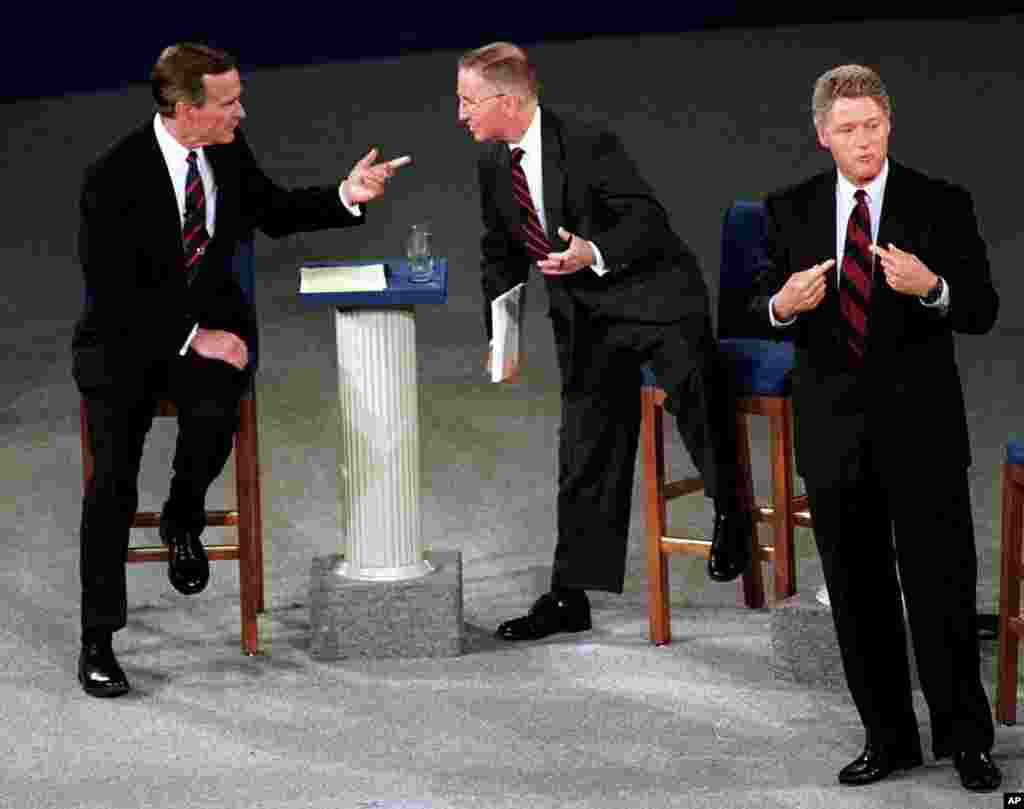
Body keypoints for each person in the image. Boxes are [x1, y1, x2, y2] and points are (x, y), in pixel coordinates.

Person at [73, 42, 409, 698]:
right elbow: (114, 290)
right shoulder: (111, 177)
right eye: (227, 103)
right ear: (183, 109)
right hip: (125, 346)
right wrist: (195, 336)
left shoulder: (225, 150)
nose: (241, 112)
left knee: (215, 408)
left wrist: (347, 194)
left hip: (210, 340)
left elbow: (274, 210)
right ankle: (98, 638)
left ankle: (182, 514)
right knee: (111, 479)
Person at [750, 64, 1000, 792]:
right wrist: (784, 304)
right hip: (833, 432)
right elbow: (745, 310)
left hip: (921, 429)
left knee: (942, 590)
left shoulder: (940, 203)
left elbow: (981, 307)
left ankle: (966, 741)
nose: (864, 141)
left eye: (875, 126)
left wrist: (933, 288)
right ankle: (887, 738)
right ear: (822, 134)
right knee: (858, 598)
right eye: (849, 130)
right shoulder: (789, 210)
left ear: (890, 125)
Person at [457, 42, 752, 643]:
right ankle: (571, 594)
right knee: (585, 450)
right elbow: (499, 251)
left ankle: (733, 512)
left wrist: (590, 251)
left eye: (466, 101)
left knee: (696, 392)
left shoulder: (587, 142)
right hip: (587, 317)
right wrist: (501, 336)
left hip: (653, 300)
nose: (459, 113)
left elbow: (647, 221)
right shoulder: (493, 162)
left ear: (506, 100)